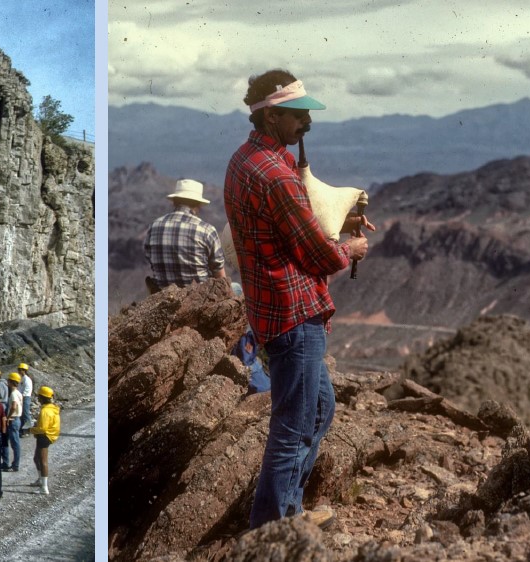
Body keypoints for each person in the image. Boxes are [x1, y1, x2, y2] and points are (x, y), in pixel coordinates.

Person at [224, 69, 374, 530]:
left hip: (274, 310)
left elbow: (290, 234)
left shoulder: (245, 160)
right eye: (298, 115)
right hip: (294, 315)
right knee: (292, 426)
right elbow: (315, 254)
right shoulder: (275, 174)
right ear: (271, 116)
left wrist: (336, 228)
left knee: (321, 409)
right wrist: (350, 248)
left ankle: (288, 511)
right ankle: (271, 529)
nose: (306, 122)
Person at [143, 179, 226, 292]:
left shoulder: (153, 227)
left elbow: (150, 260)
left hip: (163, 297)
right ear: (199, 205)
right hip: (199, 297)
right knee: (236, 288)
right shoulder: (206, 230)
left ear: (174, 202)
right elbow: (220, 274)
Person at [29, 386, 60, 495]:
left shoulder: (45, 411)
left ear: (42, 397)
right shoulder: (52, 408)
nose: (38, 398)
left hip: (45, 436)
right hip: (47, 435)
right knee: (36, 458)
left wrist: (31, 429)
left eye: (39, 396)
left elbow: (42, 428)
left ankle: (44, 488)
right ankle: (40, 480)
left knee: (42, 461)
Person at [2, 372, 23, 471]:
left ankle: (16, 465)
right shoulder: (18, 393)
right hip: (17, 419)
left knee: (15, 444)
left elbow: (13, 406)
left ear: (11, 382)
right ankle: (15, 464)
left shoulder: (14, 394)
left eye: (8, 380)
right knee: (15, 443)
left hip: (13, 419)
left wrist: (8, 416)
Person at [17, 363, 33, 437]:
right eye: (19, 370)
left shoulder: (27, 379)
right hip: (21, 397)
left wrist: (21, 397)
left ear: (24, 370)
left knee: (26, 414)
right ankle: (22, 430)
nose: (19, 371)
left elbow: (26, 391)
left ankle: (27, 431)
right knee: (22, 414)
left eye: (21, 370)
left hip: (25, 397)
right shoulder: (21, 379)